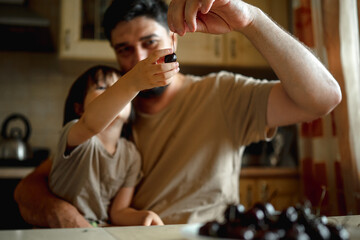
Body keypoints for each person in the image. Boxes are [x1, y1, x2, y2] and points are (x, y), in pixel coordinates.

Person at [14, 0, 341, 227]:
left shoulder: (223, 93)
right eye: (125, 50)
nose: (139, 59)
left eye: (149, 42)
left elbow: (323, 98)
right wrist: (64, 215)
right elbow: (30, 187)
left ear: (173, 38)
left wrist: (250, 20)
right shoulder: (112, 115)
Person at [48, 64, 177, 227]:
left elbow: (118, 212)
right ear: (79, 108)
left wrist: (144, 217)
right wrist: (132, 82)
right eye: (102, 88)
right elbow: (90, 124)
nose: (115, 93)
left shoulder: (131, 155)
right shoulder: (76, 135)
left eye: (118, 88)